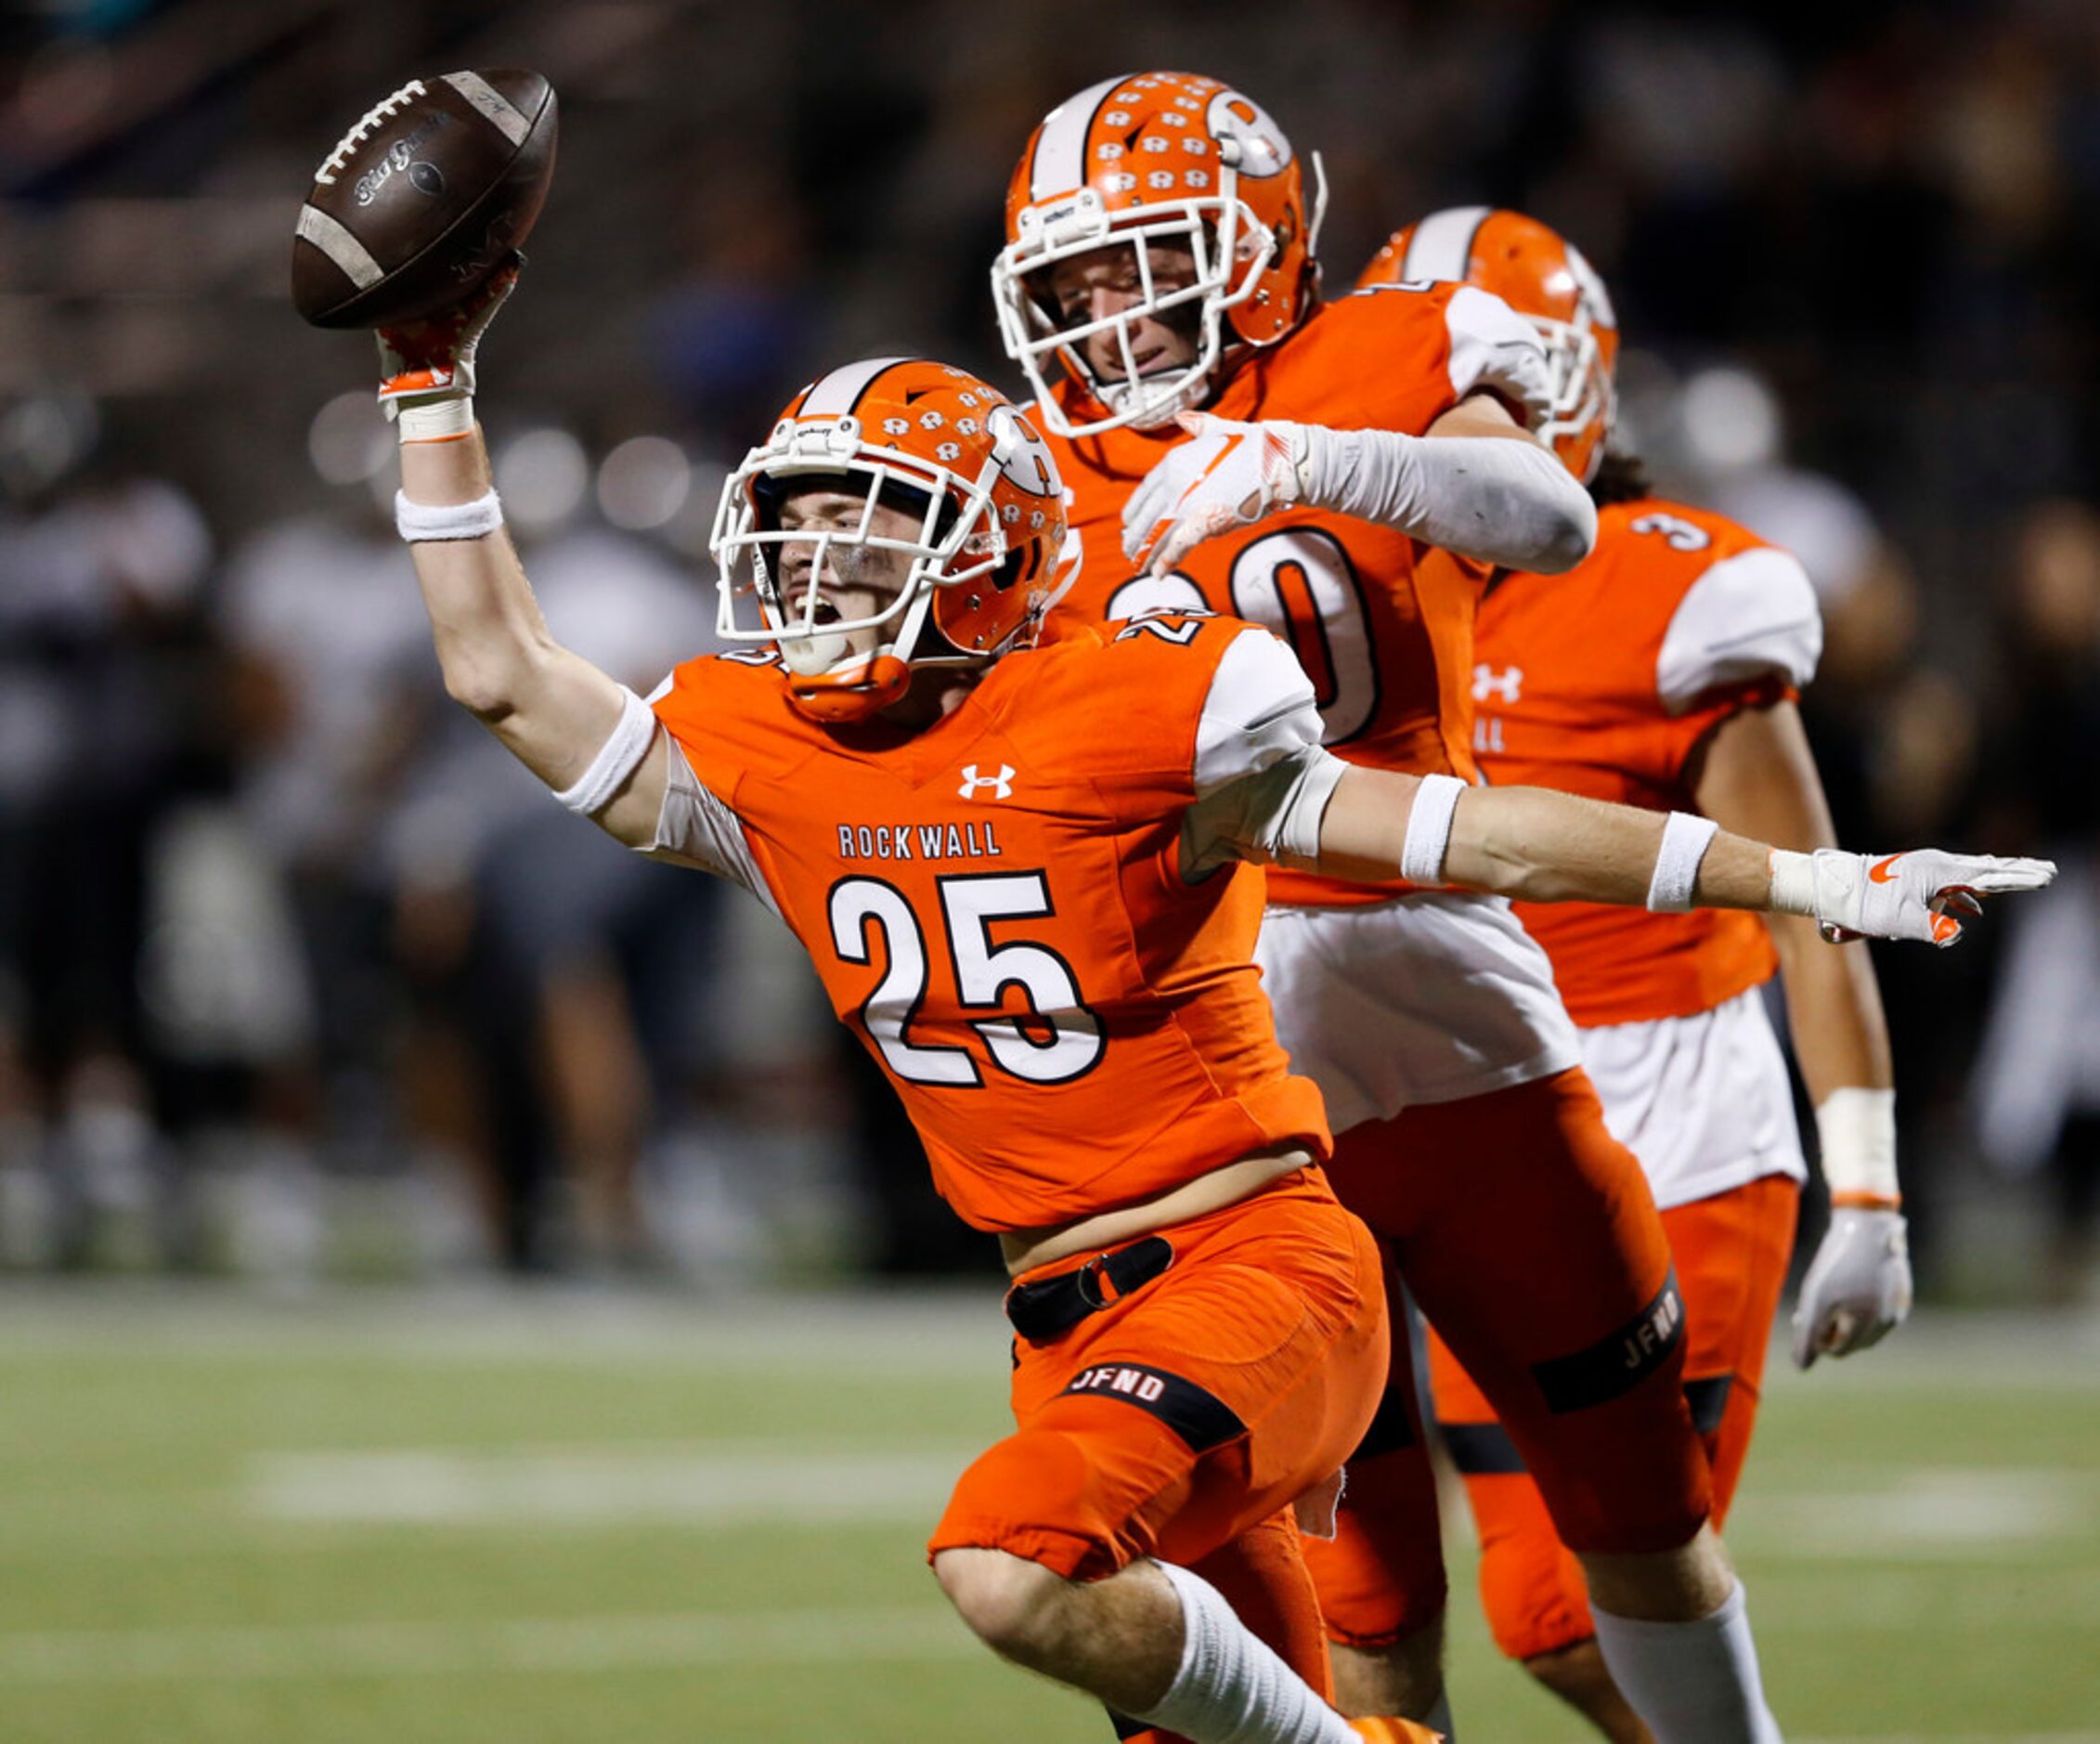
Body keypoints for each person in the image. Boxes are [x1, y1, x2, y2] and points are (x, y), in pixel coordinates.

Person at [362, 264, 2044, 1744]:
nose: (808, 564)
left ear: (978, 550)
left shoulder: (1131, 709)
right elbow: (499, 664)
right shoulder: (768, 747)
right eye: (794, 522)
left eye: (860, 520)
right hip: (1063, 1317)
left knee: (1002, 1562)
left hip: (1260, 1269)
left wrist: (1811, 882)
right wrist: (428, 379)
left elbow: (1469, 832)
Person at [986, 71, 2019, 1744]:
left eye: (1140, 262)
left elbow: (1538, 519)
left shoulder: (1413, 391)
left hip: (1477, 1009)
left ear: (1253, 249)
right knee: (1357, 1585)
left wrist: (1295, 455)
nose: (1102, 315)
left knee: (1607, 1554)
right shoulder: (1042, 458)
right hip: (1237, 1045)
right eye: (1071, 281)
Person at [1356, 206, 1908, 1742]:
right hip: (1485, 1123)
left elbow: (1813, 899)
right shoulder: (1355, 588)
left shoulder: (1679, 589)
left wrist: (1864, 1184)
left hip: (1677, 1118)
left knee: (1563, 1599)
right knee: (1527, 1616)